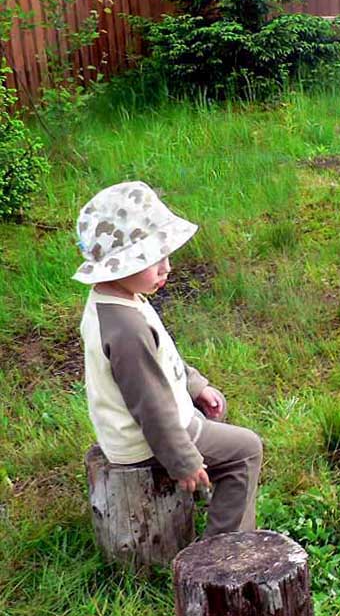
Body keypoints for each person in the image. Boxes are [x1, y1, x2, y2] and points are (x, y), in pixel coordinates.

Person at [73, 181, 263, 537]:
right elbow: (151, 406)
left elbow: (162, 358)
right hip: (145, 441)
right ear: (120, 264)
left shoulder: (118, 300)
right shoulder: (126, 329)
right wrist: (183, 460)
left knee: (220, 428)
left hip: (139, 431)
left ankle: (207, 492)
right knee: (246, 450)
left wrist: (195, 385)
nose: (167, 268)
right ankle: (225, 548)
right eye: (153, 259)